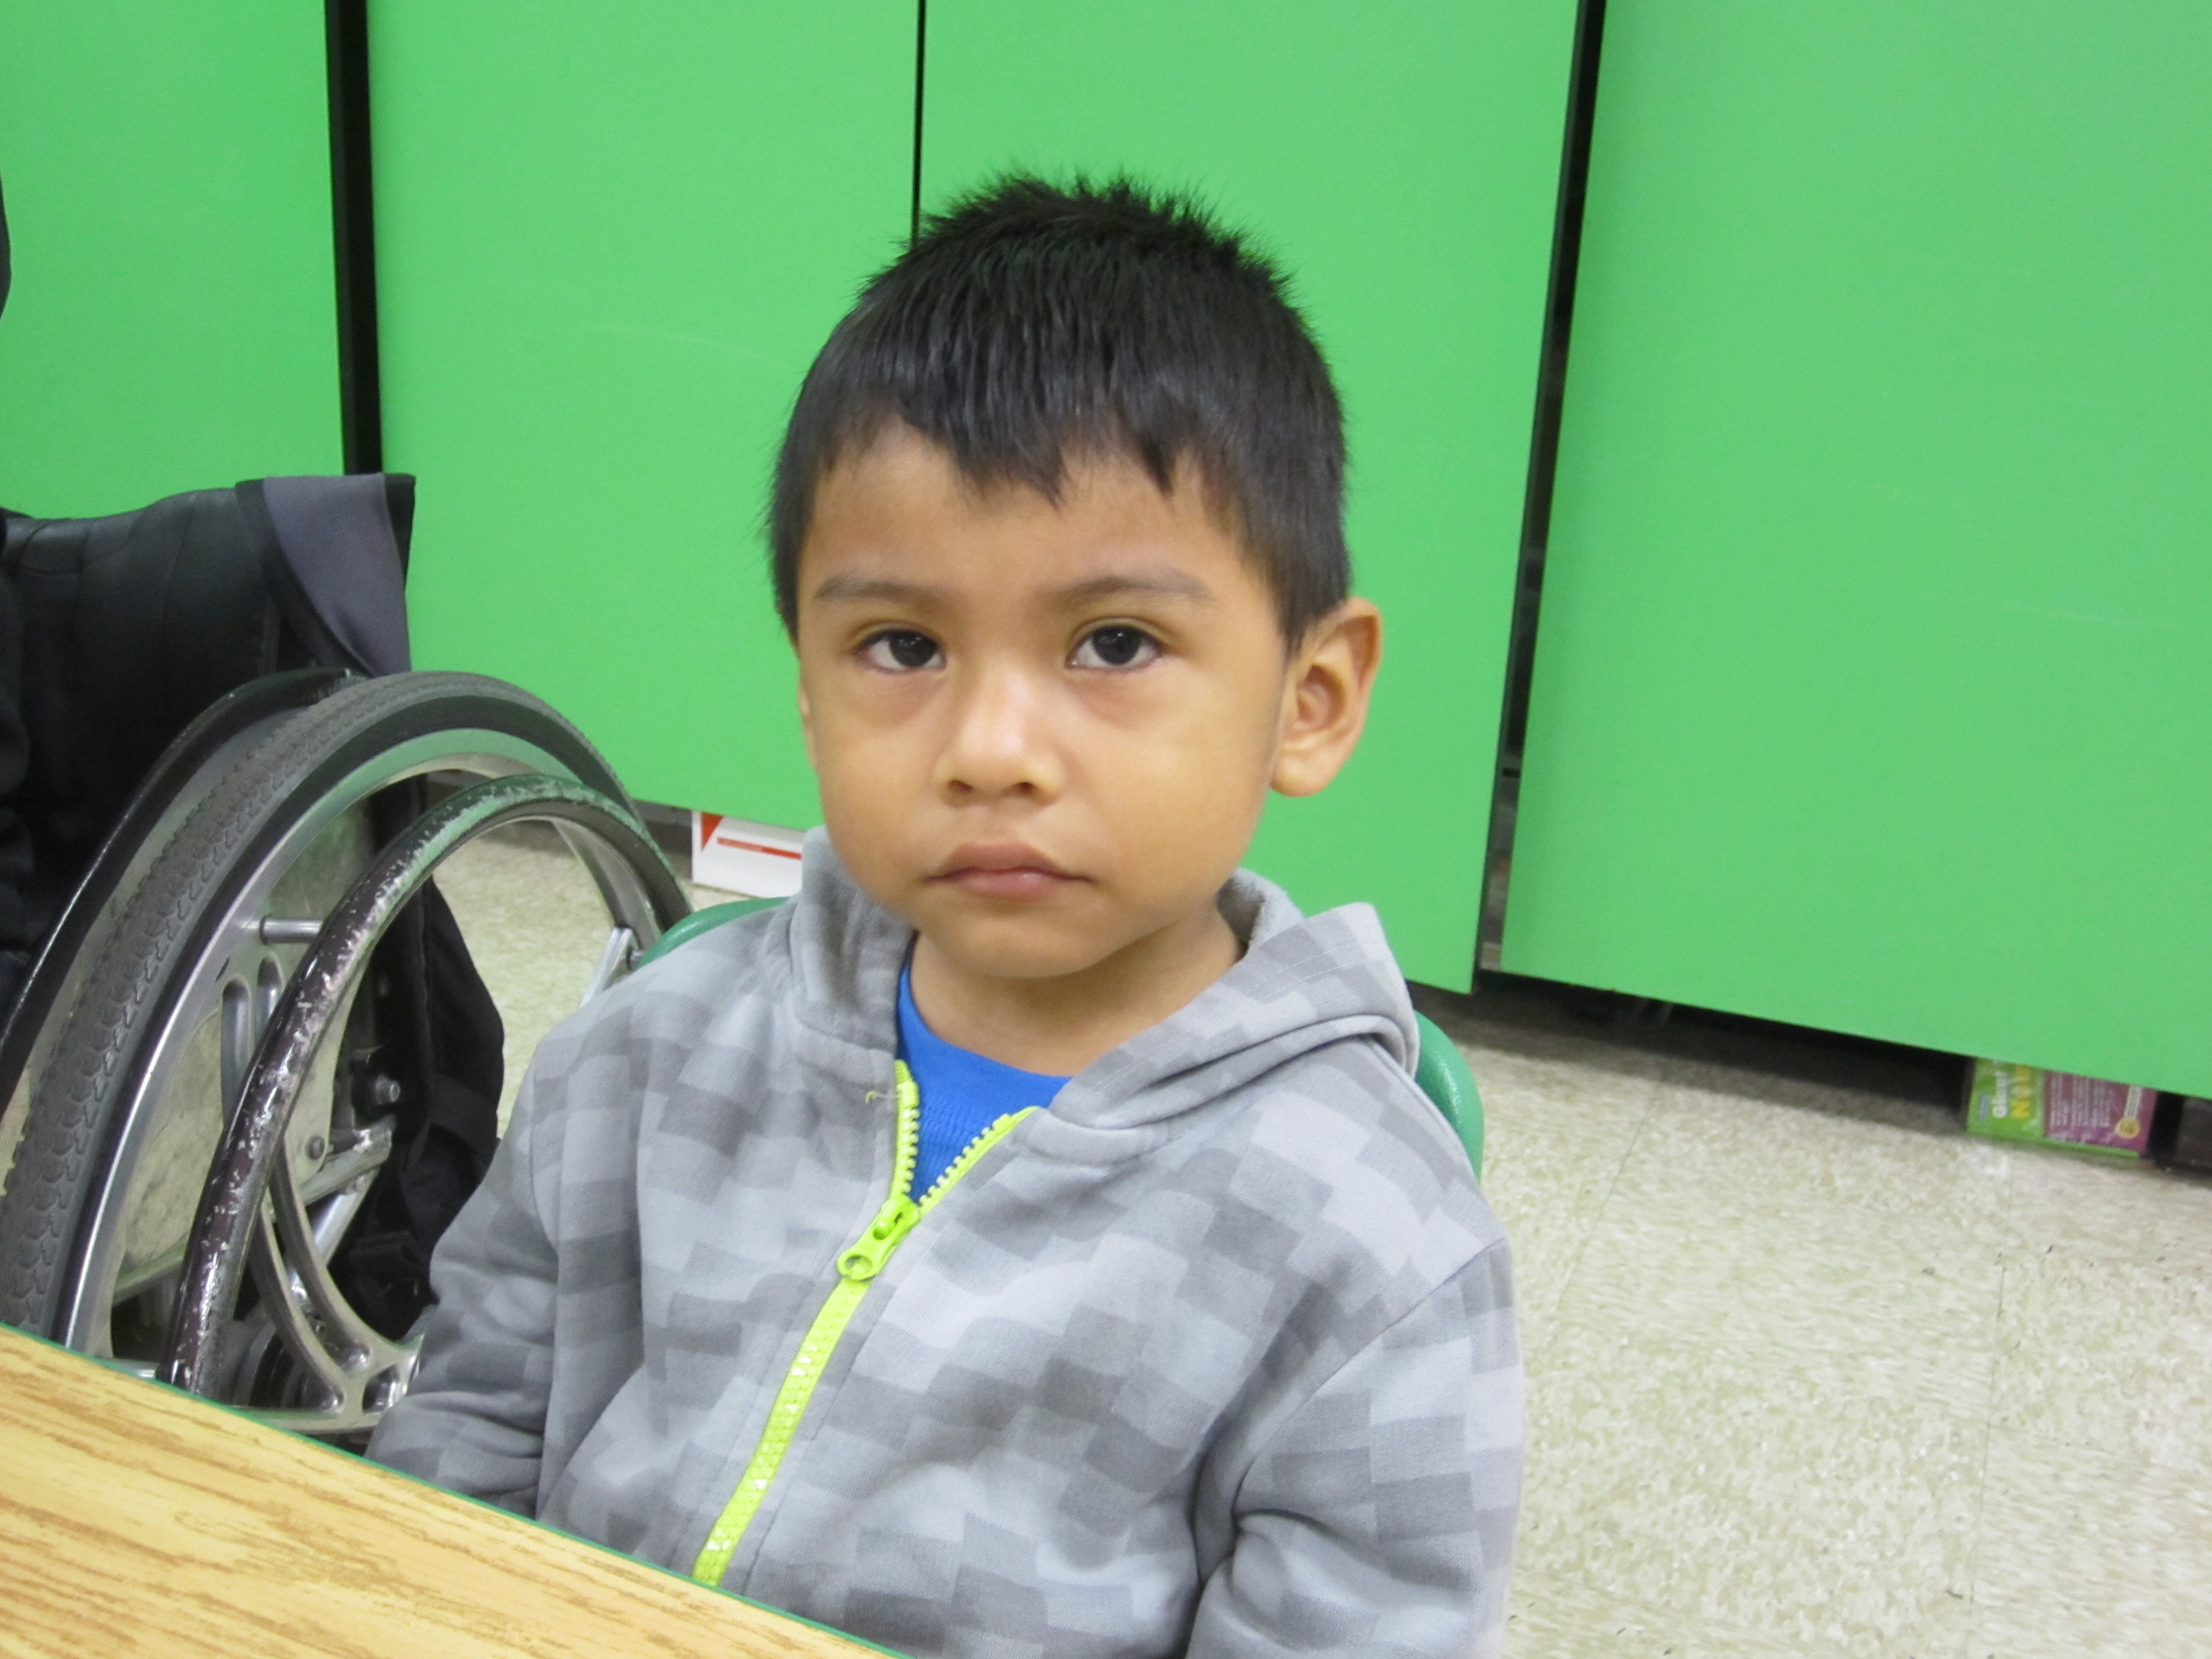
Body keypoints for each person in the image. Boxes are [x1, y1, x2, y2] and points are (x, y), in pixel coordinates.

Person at [369, 176, 1522, 1657]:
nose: (990, 750)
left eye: (1115, 643)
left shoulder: (1375, 1242)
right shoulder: (642, 1058)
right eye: (903, 646)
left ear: (1311, 698)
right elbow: (465, 1438)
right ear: (807, 688)